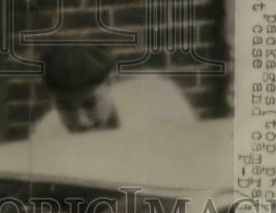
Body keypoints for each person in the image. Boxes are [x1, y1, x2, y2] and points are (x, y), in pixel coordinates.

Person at [30, 43, 196, 142]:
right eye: (65, 107)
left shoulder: (159, 101)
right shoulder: (45, 136)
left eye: (90, 104)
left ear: (110, 82)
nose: (81, 121)